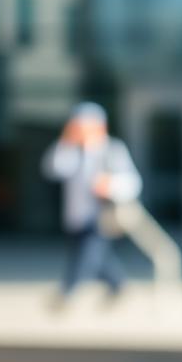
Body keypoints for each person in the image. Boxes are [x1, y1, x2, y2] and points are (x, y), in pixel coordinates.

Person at [42, 102, 142, 305]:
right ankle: (118, 284)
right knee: (96, 259)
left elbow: (133, 183)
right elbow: (53, 168)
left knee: (87, 255)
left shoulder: (112, 150)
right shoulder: (72, 150)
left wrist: (110, 185)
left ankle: (66, 292)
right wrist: (68, 140)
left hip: (100, 218)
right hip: (75, 216)